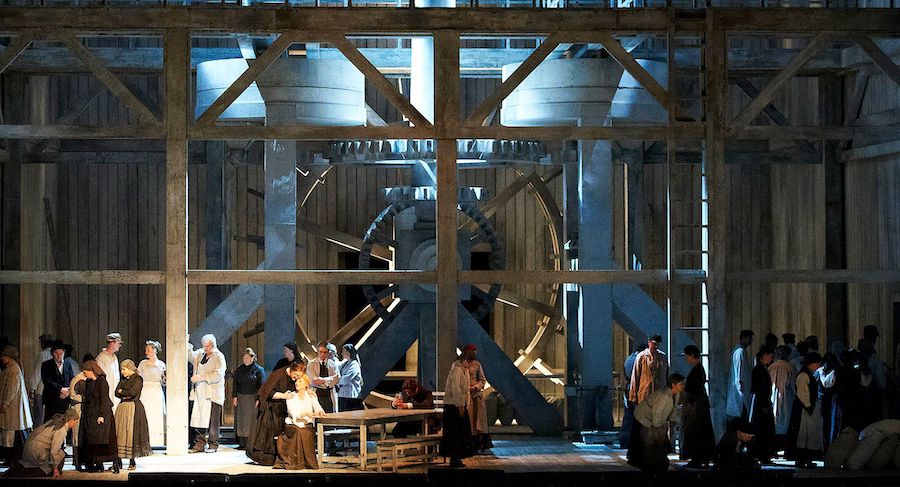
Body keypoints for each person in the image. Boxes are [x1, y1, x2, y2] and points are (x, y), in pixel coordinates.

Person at [246, 361, 304, 466]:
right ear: (292, 369)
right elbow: (268, 393)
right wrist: (283, 396)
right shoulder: (279, 374)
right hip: (271, 409)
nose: (295, 378)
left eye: (298, 377)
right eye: (295, 375)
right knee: (268, 435)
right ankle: (266, 458)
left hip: (282, 411)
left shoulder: (292, 378)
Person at [627, 374, 685, 472]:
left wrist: (671, 421)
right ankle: (647, 463)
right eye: (681, 384)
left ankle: (653, 462)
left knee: (655, 442)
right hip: (644, 417)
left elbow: (672, 409)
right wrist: (658, 426)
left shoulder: (676, 394)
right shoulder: (664, 396)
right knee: (649, 442)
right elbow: (657, 413)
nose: (683, 386)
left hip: (652, 419)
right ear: (673, 384)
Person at [274, 363, 325, 470]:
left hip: (306, 424)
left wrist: (320, 411)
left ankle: (309, 462)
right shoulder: (291, 395)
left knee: (307, 432)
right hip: (293, 424)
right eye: (296, 381)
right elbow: (293, 412)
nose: (297, 383)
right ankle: (296, 462)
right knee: (298, 432)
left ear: (306, 384)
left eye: (300, 381)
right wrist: (305, 414)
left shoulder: (310, 395)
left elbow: (318, 408)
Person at [4, 410, 79, 478]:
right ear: (71, 420)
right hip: (37, 452)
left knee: (35, 462)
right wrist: (55, 469)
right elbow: (54, 450)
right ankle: (26, 473)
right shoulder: (61, 428)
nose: (75, 425)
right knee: (61, 455)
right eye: (75, 422)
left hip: (28, 450)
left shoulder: (53, 422)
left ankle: (17, 469)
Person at [78, 359, 119, 473]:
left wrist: (101, 415)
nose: (84, 374)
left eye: (85, 372)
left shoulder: (102, 382)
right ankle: (96, 463)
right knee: (93, 440)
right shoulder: (89, 382)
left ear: (91, 370)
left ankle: (113, 462)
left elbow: (104, 399)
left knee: (103, 439)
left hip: (102, 414)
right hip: (91, 415)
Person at [190, 334, 226, 453]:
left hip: (213, 393)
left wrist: (201, 377)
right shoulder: (201, 355)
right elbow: (190, 355)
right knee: (199, 417)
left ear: (213, 345)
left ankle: (213, 444)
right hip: (201, 392)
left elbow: (219, 374)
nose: (205, 348)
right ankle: (199, 444)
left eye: (207, 346)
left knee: (213, 420)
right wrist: (186, 342)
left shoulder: (219, 356)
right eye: (204, 346)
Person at [680, 345, 714, 468]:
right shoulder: (698, 369)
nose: (686, 359)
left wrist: (688, 404)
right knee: (700, 432)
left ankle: (697, 458)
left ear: (692, 355)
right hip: (699, 404)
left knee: (696, 432)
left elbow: (693, 390)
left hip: (697, 406)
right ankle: (700, 458)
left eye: (687, 356)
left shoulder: (697, 370)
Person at [788, 352, 823, 468]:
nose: (818, 366)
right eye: (817, 363)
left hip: (808, 409)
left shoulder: (808, 374)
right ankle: (801, 460)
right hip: (804, 410)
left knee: (808, 435)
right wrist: (808, 406)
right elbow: (802, 393)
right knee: (803, 435)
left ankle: (806, 459)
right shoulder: (803, 375)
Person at [114, 359, 151, 470]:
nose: (122, 372)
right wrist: (123, 393)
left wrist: (122, 392)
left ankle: (132, 460)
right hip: (122, 408)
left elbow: (133, 392)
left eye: (124, 369)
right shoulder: (123, 379)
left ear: (130, 369)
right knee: (120, 432)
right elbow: (116, 392)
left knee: (131, 433)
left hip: (133, 408)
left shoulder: (138, 379)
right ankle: (118, 461)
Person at [0, 345, 33, 466]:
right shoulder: (11, 368)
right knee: (9, 432)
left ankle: (12, 458)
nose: (1, 358)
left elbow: (11, 389)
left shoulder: (14, 369)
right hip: (12, 407)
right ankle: (10, 457)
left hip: (12, 407)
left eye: (3, 355)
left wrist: (5, 403)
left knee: (11, 432)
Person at [442, 350, 474, 468]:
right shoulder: (456, 370)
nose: (469, 365)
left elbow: (465, 390)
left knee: (461, 433)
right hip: (453, 407)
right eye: (469, 362)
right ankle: (454, 458)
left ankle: (457, 457)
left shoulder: (464, 370)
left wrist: (466, 404)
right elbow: (456, 389)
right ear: (466, 360)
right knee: (455, 433)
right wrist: (460, 405)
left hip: (459, 405)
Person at [233, 347, 266, 450]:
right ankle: (242, 443)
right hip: (241, 397)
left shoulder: (259, 370)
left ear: (252, 358)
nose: (245, 360)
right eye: (244, 358)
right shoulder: (240, 369)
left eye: (247, 358)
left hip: (252, 398)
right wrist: (234, 396)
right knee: (241, 420)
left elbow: (262, 386)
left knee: (250, 420)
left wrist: (259, 399)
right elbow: (235, 384)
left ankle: (251, 443)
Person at [461, 344, 492, 452]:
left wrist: (476, 387)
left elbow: (482, 379)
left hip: (475, 396)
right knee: (468, 421)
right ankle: (469, 444)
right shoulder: (460, 364)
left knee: (478, 421)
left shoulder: (477, 364)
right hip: (465, 396)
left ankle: (479, 443)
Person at [137, 340, 166, 448]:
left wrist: (165, 378)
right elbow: (138, 377)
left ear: (154, 350)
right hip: (145, 391)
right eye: (146, 350)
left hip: (156, 391)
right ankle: (145, 440)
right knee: (146, 414)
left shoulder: (161, 364)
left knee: (156, 415)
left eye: (148, 350)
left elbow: (164, 381)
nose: (146, 352)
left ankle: (157, 440)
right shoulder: (143, 364)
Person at [749, 346, 775, 463]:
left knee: (764, 429)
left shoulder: (761, 369)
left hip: (763, 401)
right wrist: (764, 403)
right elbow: (759, 388)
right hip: (761, 402)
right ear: (765, 355)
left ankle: (763, 455)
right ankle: (761, 455)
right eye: (770, 356)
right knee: (762, 429)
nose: (771, 359)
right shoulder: (758, 370)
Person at [619, 342, 648, 449]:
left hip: (629, 390)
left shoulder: (629, 359)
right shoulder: (640, 359)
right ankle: (635, 441)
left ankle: (625, 440)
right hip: (637, 391)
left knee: (628, 416)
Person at [628, 335, 668, 406]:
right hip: (644, 395)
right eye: (654, 344)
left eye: (658, 344)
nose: (656, 346)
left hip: (659, 395)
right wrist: (633, 396)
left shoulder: (663, 358)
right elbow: (635, 377)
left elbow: (666, 375)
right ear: (649, 343)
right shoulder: (641, 356)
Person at [769, 345, 795, 452]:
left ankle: (776, 445)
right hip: (786, 397)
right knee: (785, 419)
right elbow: (793, 384)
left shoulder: (772, 366)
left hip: (773, 396)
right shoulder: (790, 367)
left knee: (776, 418)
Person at [40, 340, 74, 422]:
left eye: (61, 353)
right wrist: (60, 389)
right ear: (52, 353)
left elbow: (72, 379)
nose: (59, 356)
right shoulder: (46, 365)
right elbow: (47, 381)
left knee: (64, 422)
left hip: (65, 399)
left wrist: (68, 391)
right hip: (52, 399)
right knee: (51, 423)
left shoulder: (67, 364)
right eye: (56, 353)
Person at [727, 330, 754, 421]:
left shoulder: (741, 351)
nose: (751, 341)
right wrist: (740, 386)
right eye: (749, 338)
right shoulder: (740, 351)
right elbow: (738, 371)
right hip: (740, 391)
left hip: (743, 390)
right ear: (744, 338)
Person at [307, 342, 339, 413]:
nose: (322, 354)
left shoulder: (333, 365)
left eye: (325, 352)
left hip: (329, 395)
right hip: (316, 394)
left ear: (328, 352)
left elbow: (336, 379)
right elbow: (313, 381)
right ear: (317, 351)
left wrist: (323, 380)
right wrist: (328, 381)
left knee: (331, 416)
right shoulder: (311, 364)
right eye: (320, 352)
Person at [29, 334, 54, 427]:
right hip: (53, 390)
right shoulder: (56, 354)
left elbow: (37, 373)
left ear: (43, 343)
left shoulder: (42, 355)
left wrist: (32, 388)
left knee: (39, 417)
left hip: (41, 390)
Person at [96, 333, 123, 413]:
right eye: (118, 343)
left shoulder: (114, 357)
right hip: (107, 392)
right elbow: (100, 377)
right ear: (112, 343)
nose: (120, 345)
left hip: (115, 391)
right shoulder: (102, 358)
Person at [817, 352, 839, 448]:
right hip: (823, 400)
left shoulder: (833, 371)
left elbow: (826, 383)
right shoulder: (824, 370)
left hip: (828, 400)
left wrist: (821, 372)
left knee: (826, 422)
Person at [69, 365, 87, 470]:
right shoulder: (77, 379)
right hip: (78, 409)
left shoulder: (86, 378)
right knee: (76, 434)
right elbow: (72, 395)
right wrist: (84, 398)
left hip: (84, 408)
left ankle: (83, 460)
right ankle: (77, 461)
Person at [336, 344, 363, 412]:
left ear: (348, 352)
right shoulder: (345, 363)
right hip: (342, 395)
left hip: (351, 395)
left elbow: (346, 379)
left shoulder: (354, 364)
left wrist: (337, 380)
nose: (342, 353)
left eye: (344, 351)